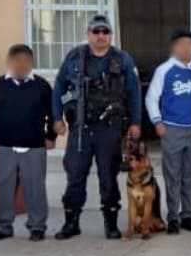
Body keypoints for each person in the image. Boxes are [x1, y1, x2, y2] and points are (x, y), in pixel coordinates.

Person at [52, 14, 142, 240]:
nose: (101, 36)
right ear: (88, 34)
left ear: (111, 34)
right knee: (75, 175)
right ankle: (71, 223)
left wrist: (136, 122)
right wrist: (56, 118)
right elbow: (59, 87)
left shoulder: (122, 59)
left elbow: (134, 92)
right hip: (80, 127)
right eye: (96, 31)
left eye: (105, 32)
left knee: (108, 176)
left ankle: (111, 223)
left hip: (109, 128)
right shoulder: (75, 57)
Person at [0, 44, 56, 242]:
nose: (21, 65)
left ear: (32, 63)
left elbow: (53, 113)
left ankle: (37, 226)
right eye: (17, 61)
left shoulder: (41, 85)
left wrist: (51, 136)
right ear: (9, 62)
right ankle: (4, 227)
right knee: (4, 188)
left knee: (35, 188)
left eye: (25, 61)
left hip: (34, 145)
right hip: (4, 146)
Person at [145, 28, 191, 235]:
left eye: (190, 44)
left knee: (190, 174)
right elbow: (151, 98)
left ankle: (187, 215)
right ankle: (172, 216)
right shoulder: (165, 70)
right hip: (172, 129)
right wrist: (157, 122)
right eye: (181, 44)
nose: (186, 48)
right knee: (173, 175)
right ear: (174, 47)